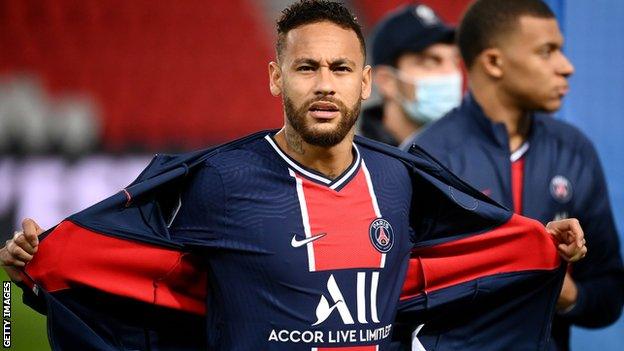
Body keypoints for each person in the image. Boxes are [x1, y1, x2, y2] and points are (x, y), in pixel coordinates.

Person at [1, 1, 587, 350]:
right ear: (277, 78)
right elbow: (138, 278)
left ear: (365, 82)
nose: (325, 83)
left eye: (340, 68)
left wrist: (541, 247)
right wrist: (41, 264)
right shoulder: (219, 179)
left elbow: (461, 264)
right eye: (306, 67)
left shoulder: (401, 179)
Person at [415, 0, 624, 350]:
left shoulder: (574, 150)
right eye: (547, 52)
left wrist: (568, 295)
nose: (566, 67)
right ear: (494, 62)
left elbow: (608, 295)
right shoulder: (430, 157)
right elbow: (399, 297)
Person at [360, 3, 462, 150]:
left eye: (455, 61)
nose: (451, 74)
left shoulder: (473, 156)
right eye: (431, 61)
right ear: (386, 81)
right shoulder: (355, 162)